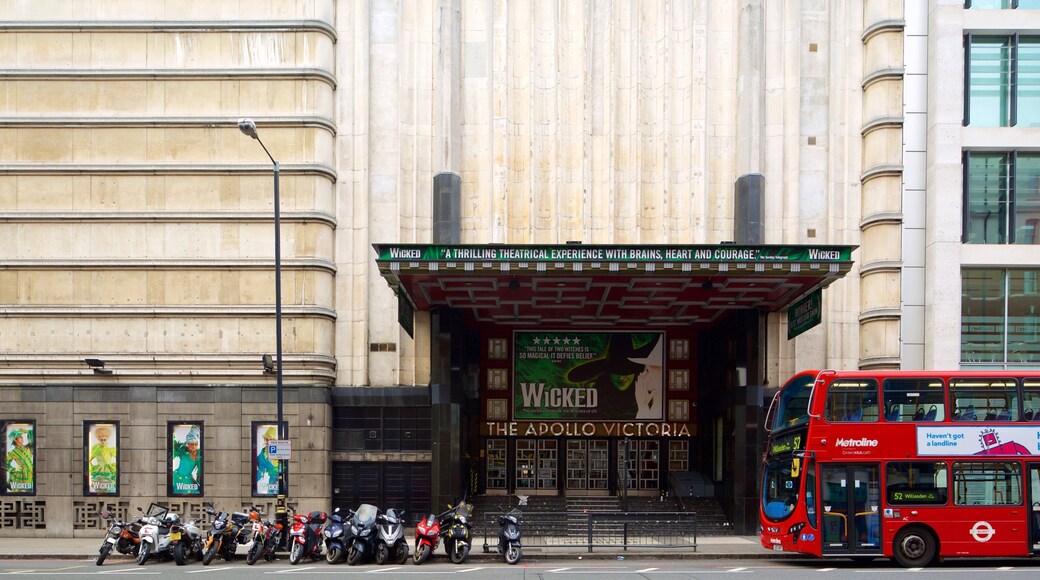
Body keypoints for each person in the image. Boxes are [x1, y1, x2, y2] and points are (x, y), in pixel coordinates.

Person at [566, 334, 662, 419]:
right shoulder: (592, 401)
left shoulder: (647, 398)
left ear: (635, 372)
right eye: (615, 371)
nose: (621, 377)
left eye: (626, 371)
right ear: (608, 373)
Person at [171, 425, 201, 494]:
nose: (194, 446)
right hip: (176, 477)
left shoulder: (198, 455)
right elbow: (173, 445)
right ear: (188, 444)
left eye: (196, 444)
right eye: (192, 444)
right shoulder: (183, 451)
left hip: (188, 481)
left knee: (196, 493)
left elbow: (200, 472)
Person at [88, 424, 117, 493]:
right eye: (101, 440)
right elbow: (89, 460)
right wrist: (91, 467)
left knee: (109, 486)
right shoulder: (96, 450)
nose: (103, 441)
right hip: (99, 470)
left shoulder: (110, 450)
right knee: (100, 487)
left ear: (107, 439)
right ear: (99, 439)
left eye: (104, 440)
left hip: (109, 470)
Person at [5, 428, 33, 492]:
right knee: (23, 493)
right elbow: (4, 464)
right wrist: (14, 469)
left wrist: (27, 431)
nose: (22, 437)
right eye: (20, 437)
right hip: (22, 476)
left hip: (31, 474)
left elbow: (34, 440)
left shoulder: (27, 447)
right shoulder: (13, 452)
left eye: (22, 436)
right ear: (15, 440)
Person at [256, 426, 280, 494]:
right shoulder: (263, 453)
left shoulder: (280, 449)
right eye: (265, 439)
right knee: (271, 494)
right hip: (272, 479)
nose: (266, 441)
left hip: (281, 479)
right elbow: (261, 470)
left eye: (269, 439)